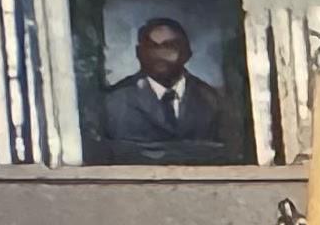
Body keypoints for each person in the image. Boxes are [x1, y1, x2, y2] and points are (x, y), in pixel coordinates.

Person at [95, 18, 228, 163]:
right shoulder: (115, 101)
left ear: (186, 53)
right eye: (152, 47)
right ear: (139, 53)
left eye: (169, 46)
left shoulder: (212, 100)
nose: (160, 54)